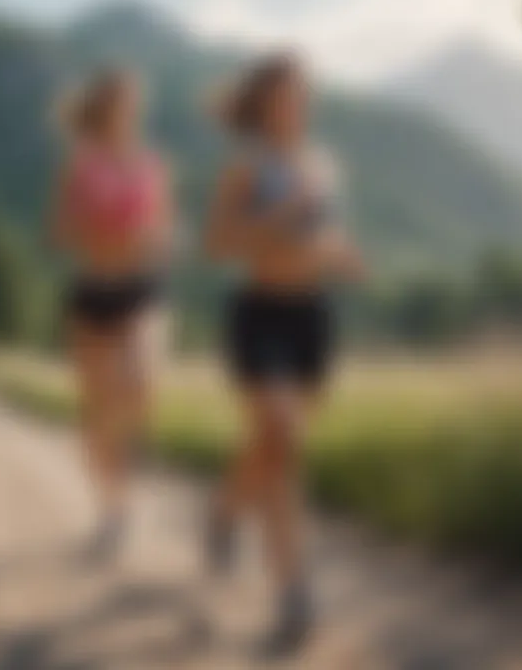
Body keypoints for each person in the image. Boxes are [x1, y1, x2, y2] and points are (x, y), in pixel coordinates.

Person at [204, 52, 364, 656]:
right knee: (282, 436)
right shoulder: (245, 168)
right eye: (283, 94)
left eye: (302, 92)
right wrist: (278, 217)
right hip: (260, 314)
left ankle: (223, 511)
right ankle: (294, 592)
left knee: (274, 444)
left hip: (313, 317)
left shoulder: (324, 163)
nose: (294, 103)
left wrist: (342, 253)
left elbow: (322, 230)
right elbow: (218, 243)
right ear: (263, 104)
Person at [51, 68, 172, 563]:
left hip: (141, 288)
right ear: (104, 109)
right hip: (94, 291)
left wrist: (154, 239)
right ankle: (112, 508)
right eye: (122, 102)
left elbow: (163, 228)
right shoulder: (80, 165)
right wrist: (95, 228)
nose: (131, 110)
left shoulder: (152, 164)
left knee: (141, 382)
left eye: (135, 102)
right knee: (97, 414)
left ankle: (129, 453)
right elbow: (60, 231)